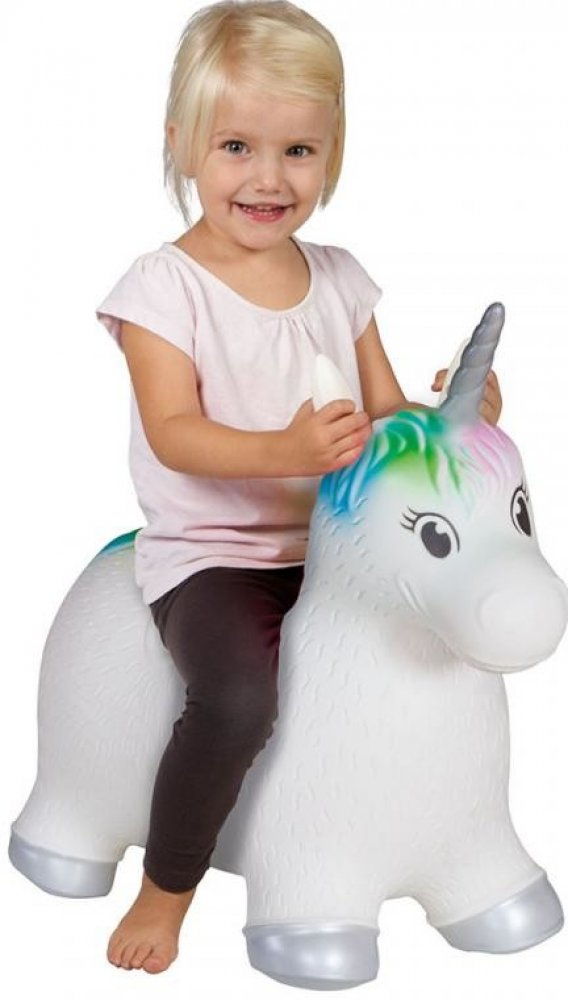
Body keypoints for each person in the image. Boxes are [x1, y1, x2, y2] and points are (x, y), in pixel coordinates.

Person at [95, 0, 502, 976]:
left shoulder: (342, 280)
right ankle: (167, 885)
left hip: (338, 549)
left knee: (448, 649)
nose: (269, 178)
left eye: (298, 151)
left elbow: (383, 417)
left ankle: (444, 846)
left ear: (332, 154)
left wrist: (454, 412)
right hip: (217, 558)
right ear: (181, 144)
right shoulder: (162, 290)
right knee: (238, 697)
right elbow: (174, 433)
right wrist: (285, 447)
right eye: (236, 146)